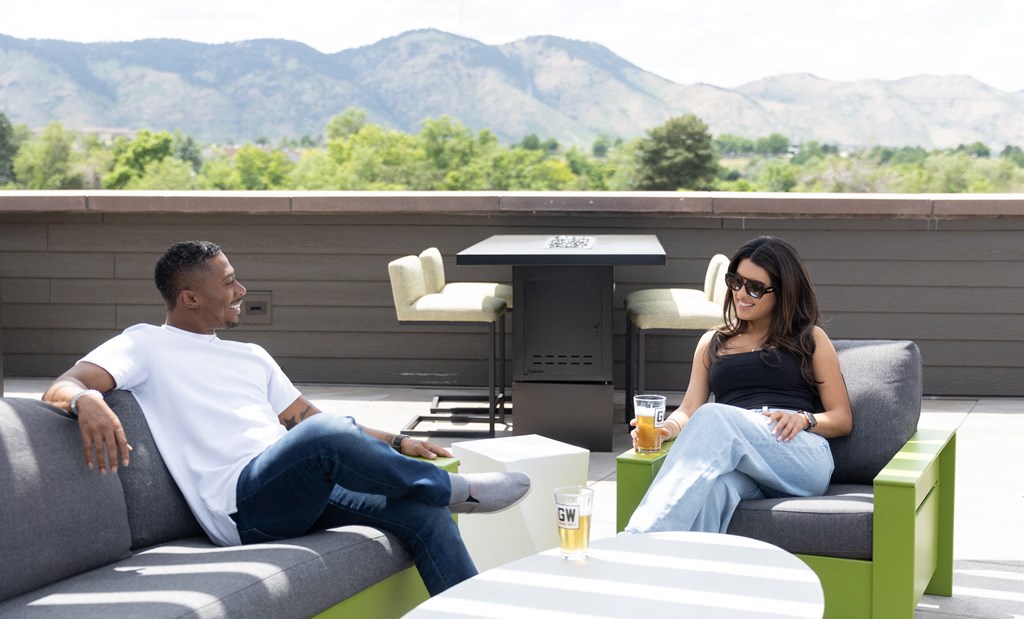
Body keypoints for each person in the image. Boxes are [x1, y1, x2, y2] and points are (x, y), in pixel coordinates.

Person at [42, 240, 530, 596]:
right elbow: (61, 387)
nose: (241, 289)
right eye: (228, 282)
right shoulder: (144, 343)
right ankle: (455, 490)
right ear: (189, 297)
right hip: (242, 508)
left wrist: (398, 441)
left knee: (423, 517)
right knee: (328, 437)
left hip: (296, 489)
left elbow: (306, 419)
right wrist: (88, 400)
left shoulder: (250, 355)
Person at [624, 235, 852, 534]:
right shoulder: (713, 342)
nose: (741, 294)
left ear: (783, 292)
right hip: (741, 462)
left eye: (755, 288)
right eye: (735, 281)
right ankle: (678, 562)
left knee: (713, 414)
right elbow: (689, 409)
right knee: (714, 490)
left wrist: (804, 419)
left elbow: (841, 419)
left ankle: (636, 538)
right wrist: (667, 429)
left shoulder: (810, 339)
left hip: (798, 453)